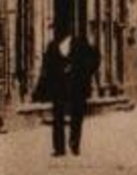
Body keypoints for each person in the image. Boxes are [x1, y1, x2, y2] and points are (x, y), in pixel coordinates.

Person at [33, 25, 101, 158]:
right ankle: (59, 148)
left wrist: (84, 72)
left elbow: (95, 58)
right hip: (59, 87)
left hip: (77, 87)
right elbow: (45, 69)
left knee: (77, 117)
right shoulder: (52, 46)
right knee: (58, 117)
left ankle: (74, 144)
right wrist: (41, 89)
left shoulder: (80, 44)